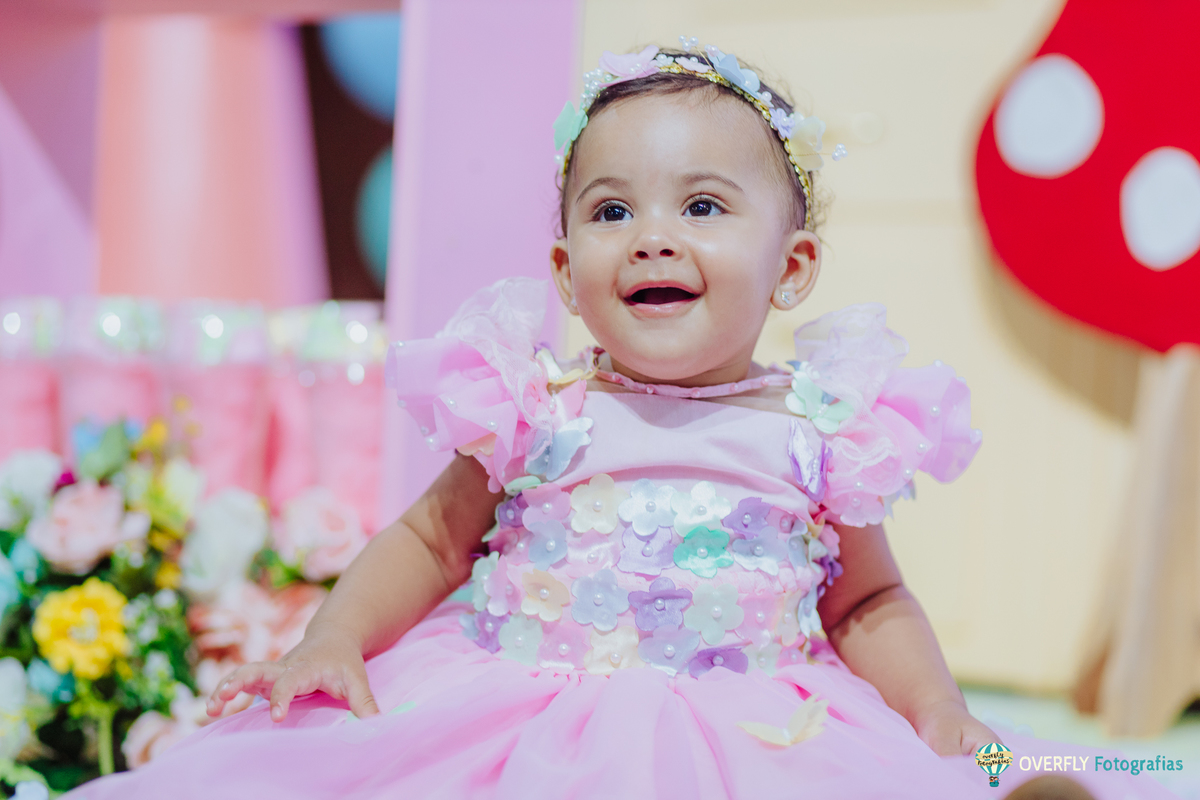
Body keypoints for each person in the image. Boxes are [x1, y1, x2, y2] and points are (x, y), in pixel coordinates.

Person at [72, 41, 1177, 800]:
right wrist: (333, 635)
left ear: (791, 268)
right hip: (520, 701)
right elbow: (427, 539)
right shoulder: (537, 407)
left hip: (754, 722)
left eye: (702, 206)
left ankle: (985, 777)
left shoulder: (818, 428)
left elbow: (870, 596)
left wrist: (939, 711)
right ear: (565, 267)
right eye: (611, 211)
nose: (651, 236)